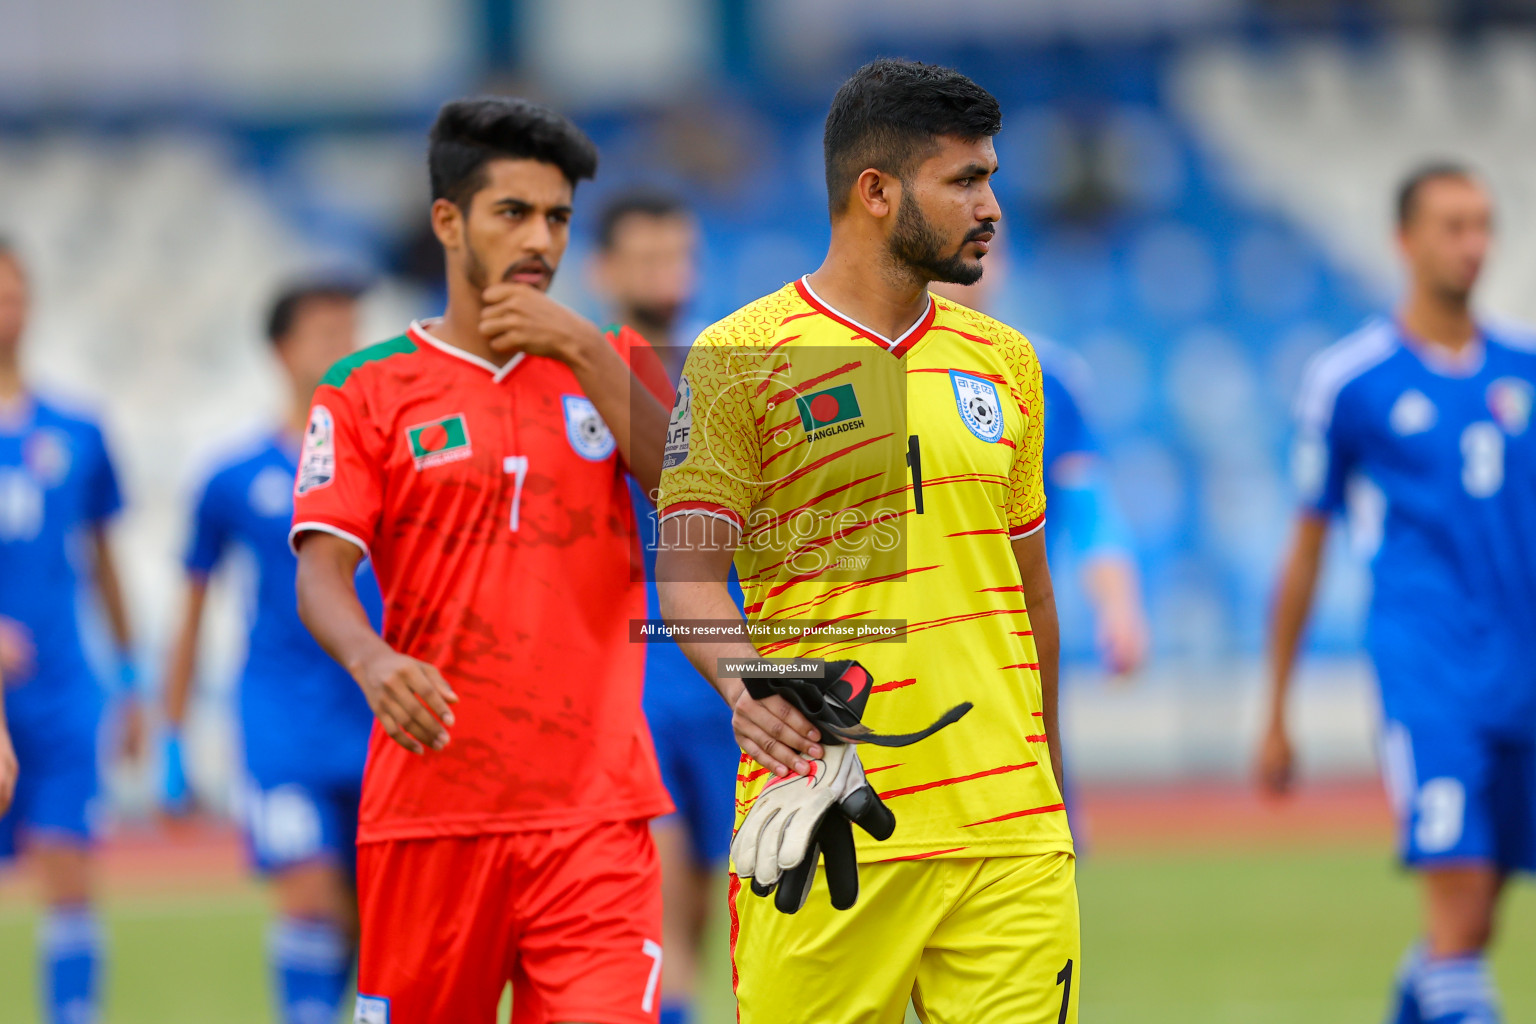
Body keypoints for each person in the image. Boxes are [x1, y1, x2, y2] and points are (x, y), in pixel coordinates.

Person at [656, 59, 1079, 1024]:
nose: (992, 207)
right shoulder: (739, 359)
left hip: (1010, 837)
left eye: (993, 179)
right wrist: (743, 682)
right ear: (877, 193)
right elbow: (686, 578)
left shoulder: (1007, 362)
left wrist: (1045, 776)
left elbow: (1034, 594)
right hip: (828, 821)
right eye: (966, 181)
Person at [290, 97, 674, 1023]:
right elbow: (320, 573)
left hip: (594, 818)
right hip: (431, 815)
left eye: (558, 218)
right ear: (448, 221)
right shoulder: (365, 389)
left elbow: (697, 495)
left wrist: (584, 348)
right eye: (514, 213)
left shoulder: (615, 361)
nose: (540, 238)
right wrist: (371, 658)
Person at [1259, 163, 1536, 1024]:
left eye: (1482, 225)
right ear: (1405, 241)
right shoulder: (1351, 381)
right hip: (1429, 675)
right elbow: (1306, 548)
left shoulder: (1525, 368)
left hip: (1523, 672)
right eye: (1452, 226)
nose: (1472, 245)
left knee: (1477, 919)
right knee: (1456, 916)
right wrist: (1276, 709)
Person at [160, 281, 383, 1024]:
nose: (341, 348)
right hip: (282, 720)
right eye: (324, 332)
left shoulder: (396, 462)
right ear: (280, 351)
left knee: (371, 921)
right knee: (309, 896)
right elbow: (192, 609)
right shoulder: (233, 477)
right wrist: (172, 738)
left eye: (351, 330)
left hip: (384, 717)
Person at [590, 191, 737, 1024]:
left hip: (724, 679)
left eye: (677, 256)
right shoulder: (581, 385)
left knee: (709, 904)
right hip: (631, 682)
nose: (666, 275)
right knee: (656, 894)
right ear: (607, 271)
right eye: (646, 259)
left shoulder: (726, 369)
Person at [0, 239, 143, 1024]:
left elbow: (104, 560)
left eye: (17, 293)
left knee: (67, 871)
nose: (8, 310)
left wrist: (130, 681)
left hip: (58, 692)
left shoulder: (77, 429)